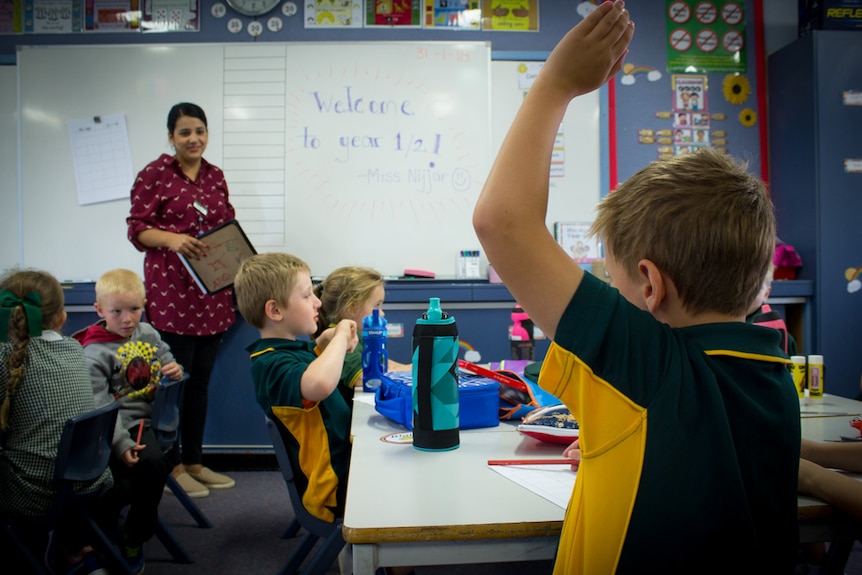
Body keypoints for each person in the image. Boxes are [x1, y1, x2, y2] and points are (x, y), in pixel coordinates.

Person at [472, 3, 800, 573]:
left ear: (650, 285)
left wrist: (555, 84)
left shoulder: (647, 365)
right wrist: (615, 440)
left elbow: (501, 222)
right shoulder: (772, 372)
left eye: (611, 275)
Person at [126, 102, 236, 497]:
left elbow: (226, 226)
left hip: (213, 293)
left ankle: (195, 462)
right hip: (173, 293)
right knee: (177, 383)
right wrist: (173, 239)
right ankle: (171, 468)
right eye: (185, 132)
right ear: (171, 137)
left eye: (200, 131)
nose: (194, 139)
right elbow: (137, 229)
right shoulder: (155, 174)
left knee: (202, 382)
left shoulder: (215, 175)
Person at [0, 269, 113, 575]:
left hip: (32, 490)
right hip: (89, 480)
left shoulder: (5, 357)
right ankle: (72, 552)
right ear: (62, 318)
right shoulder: (75, 349)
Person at [72, 268, 181, 574]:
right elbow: (101, 407)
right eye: (116, 311)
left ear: (144, 304)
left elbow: (167, 357)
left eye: (134, 309)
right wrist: (121, 443)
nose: (127, 319)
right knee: (136, 478)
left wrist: (173, 367)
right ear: (99, 310)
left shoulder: (148, 333)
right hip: (110, 431)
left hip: (148, 424)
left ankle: (133, 535)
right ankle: (101, 540)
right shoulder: (94, 353)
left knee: (154, 467)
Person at [234, 252, 357, 522]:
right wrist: (339, 337)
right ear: (275, 310)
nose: (318, 302)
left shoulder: (284, 352)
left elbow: (307, 370)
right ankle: (396, 563)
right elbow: (319, 383)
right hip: (333, 486)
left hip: (345, 467)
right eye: (306, 296)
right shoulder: (270, 365)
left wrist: (322, 343)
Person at [313, 266, 410, 399]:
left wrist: (410, 368)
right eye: (377, 305)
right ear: (352, 308)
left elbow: (380, 363)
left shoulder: (358, 335)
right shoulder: (339, 339)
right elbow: (363, 377)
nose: (382, 313)